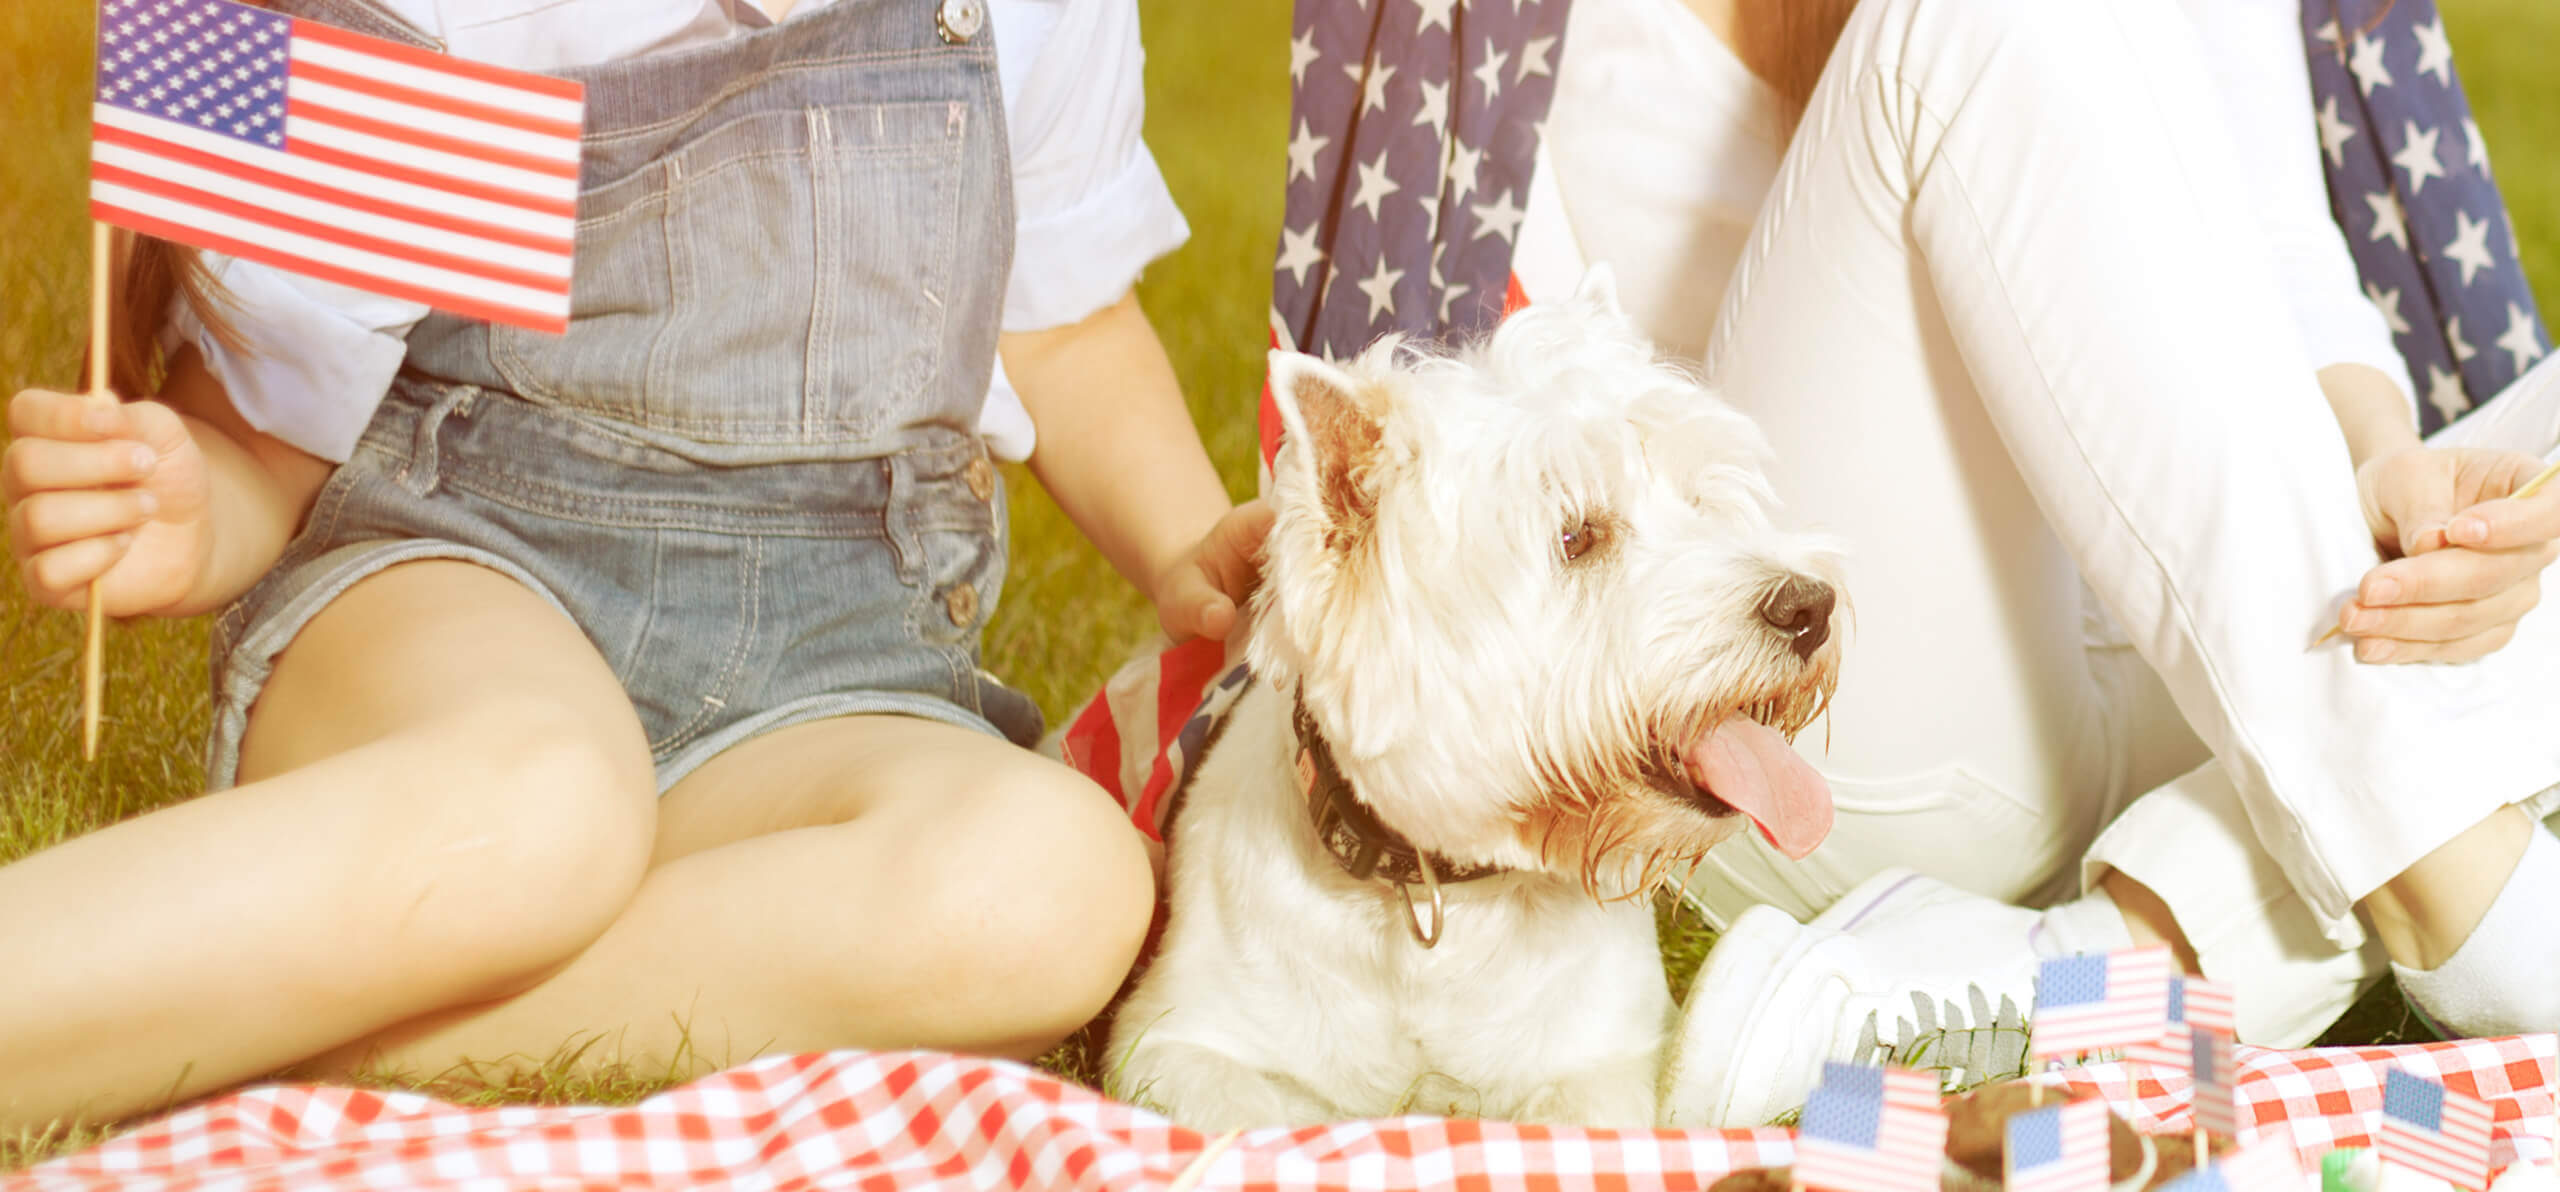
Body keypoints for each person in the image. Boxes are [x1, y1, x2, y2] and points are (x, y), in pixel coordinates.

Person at [0, 0, 1265, 1132]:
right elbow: (260, 441)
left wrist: (1179, 547)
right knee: (545, 800)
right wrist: (191, 511)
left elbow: (1060, 321)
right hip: (465, 572)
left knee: (1056, 884)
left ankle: (288, 1026)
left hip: (827, 672)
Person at [1501, 0, 2560, 1124]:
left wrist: (2380, 466)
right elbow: (1518, 433)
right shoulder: (1482, 43)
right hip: (1830, 705)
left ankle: (2069, 975)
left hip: (2217, 628)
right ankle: (2445, 870)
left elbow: (2275, 243)